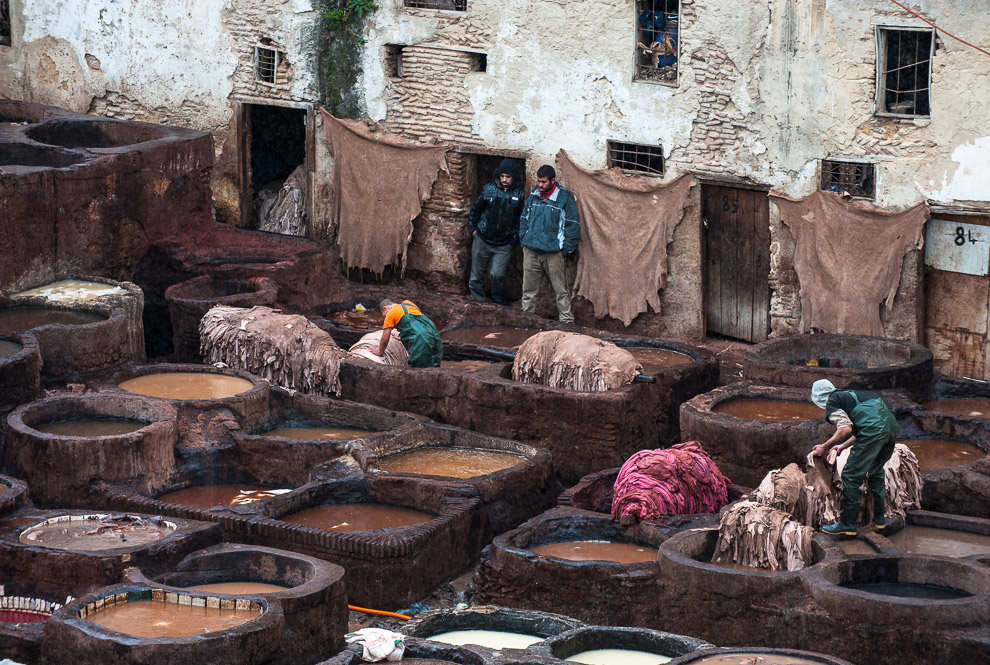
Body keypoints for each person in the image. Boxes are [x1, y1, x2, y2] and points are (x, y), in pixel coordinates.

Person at [810, 379, 899, 537]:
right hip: (891, 428)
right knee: (876, 471)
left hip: (875, 432)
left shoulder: (833, 400)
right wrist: (842, 446)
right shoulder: (856, 394)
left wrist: (825, 446)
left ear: (818, 397)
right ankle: (879, 519)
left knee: (850, 475)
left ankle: (847, 524)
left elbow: (845, 428)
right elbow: (867, 427)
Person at [518, 164, 580, 323]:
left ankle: (566, 323)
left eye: (544, 182)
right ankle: (526, 321)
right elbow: (524, 218)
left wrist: (564, 250)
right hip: (531, 250)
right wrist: (524, 238)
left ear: (553, 180)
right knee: (529, 291)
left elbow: (572, 225)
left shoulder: (564, 198)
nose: (540, 185)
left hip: (553, 253)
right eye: (538, 181)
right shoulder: (533, 195)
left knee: (561, 291)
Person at [467, 158, 525, 306]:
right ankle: (477, 301)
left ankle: (498, 302)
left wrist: (514, 239)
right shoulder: (489, 189)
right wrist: (473, 229)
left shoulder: (520, 194)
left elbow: (522, 219)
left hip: (504, 243)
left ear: (514, 177)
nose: (504, 180)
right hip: (483, 238)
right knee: (476, 275)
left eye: (508, 177)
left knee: (497, 274)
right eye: (502, 176)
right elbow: (476, 209)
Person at [374, 299, 443, 368]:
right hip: (434, 334)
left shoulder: (390, 313)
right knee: (434, 367)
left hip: (420, 340)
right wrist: (402, 337)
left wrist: (380, 352)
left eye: (384, 316)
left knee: (420, 371)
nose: (385, 317)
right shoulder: (409, 303)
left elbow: (384, 339)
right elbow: (418, 325)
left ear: (385, 308)